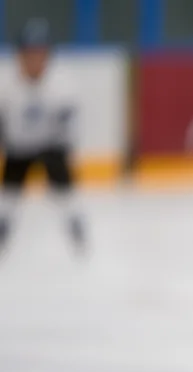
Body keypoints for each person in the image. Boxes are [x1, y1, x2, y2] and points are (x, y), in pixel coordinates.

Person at [0, 18, 86, 257]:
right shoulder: (6, 85)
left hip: (51, 147)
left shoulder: (62, 84)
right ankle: (3, 229)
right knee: (9, 192)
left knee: (65, 191)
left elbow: (70, 122)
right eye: (29, 54)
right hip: (18, 147)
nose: (34, 60)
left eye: (39, 53)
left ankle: (75, 227)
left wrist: (64, 145)